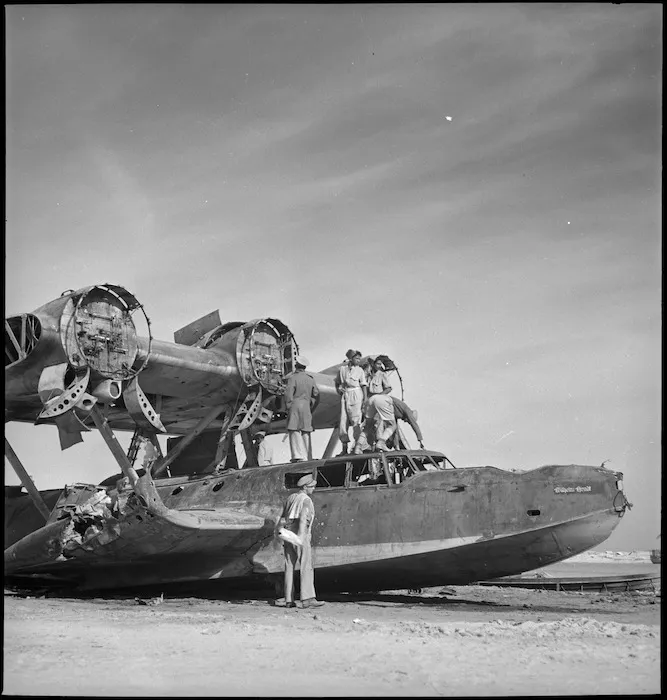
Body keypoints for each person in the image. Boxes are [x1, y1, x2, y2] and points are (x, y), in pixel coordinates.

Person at [278, 474, 324, 608]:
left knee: (289, 565)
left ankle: (288, 600)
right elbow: (303, 517)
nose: (313, 489)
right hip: (299, 532)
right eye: (312, 486)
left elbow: (281, 516)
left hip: (287, 532)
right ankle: (307, 598)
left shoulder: (291, 498)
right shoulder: (306, 500)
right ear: (305, 487)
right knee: (305, 565)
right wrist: (301, 535)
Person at [285, 355, 320, 462]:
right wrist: (311, 405)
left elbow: (288, 394)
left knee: (294, 429)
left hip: (295, 404)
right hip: (306, 406)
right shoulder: (310, 379)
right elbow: (316, 394)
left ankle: (297, 455)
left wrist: (288, 407)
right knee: (306, 431)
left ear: (296, 366)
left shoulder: (292, 378)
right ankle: (308, 456)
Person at [335, 349, 368, 455]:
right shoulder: (342, 369)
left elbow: (363, 385)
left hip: (356, 394)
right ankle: (344, 447)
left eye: (359, 358)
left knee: (356, 421)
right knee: (343, 421)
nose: (358, 360)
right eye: (356, 358)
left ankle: (358, 446)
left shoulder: (360, 370)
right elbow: (337, 382)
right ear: (350, 358)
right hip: (345, 395)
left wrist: (365, 399)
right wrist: (339, 389)